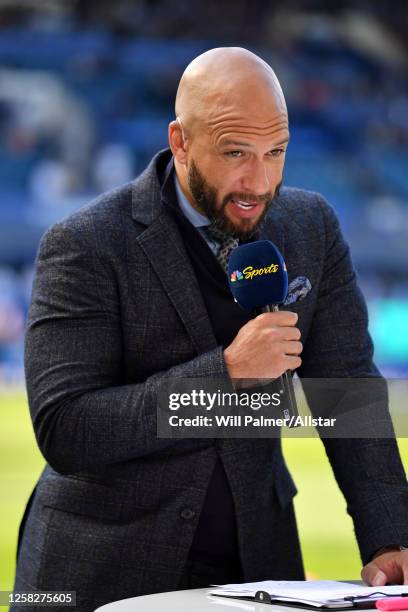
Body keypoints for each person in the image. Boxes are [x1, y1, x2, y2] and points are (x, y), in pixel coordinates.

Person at [13, 47, 408, 611]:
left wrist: (391, 532)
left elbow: (344, 389)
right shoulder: (87, 243)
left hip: (257, 568)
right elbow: (66, 428)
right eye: (236, 153)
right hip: (102, 571)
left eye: (277, 152)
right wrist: (224, 373)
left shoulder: (310, 226)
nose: (260, 180)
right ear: (181, 141)